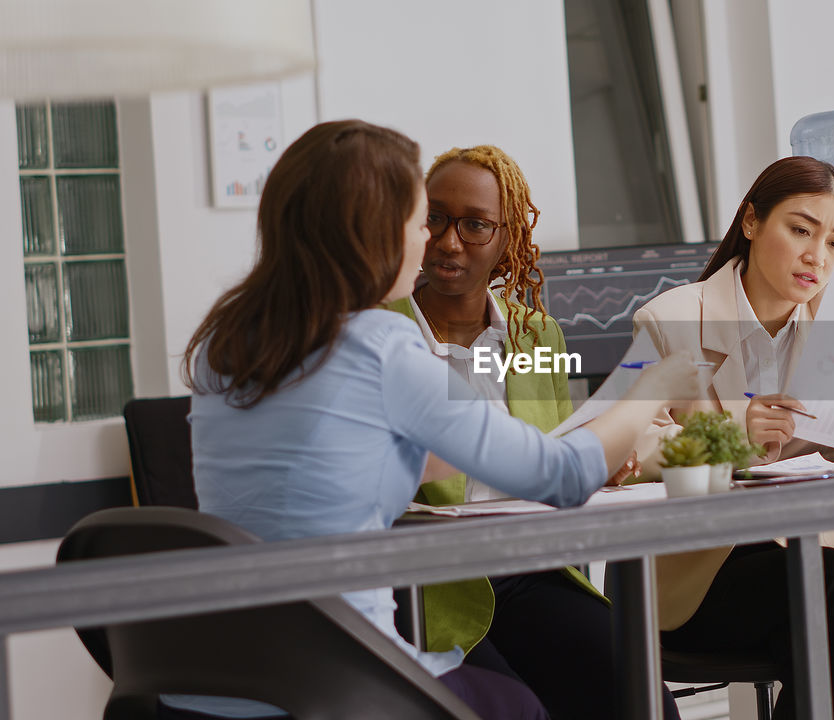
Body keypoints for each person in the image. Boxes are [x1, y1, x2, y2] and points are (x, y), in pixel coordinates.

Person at [169, 120, 698, 720]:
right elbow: (562, 473)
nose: (434, 240)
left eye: (471, 225)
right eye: (423, 220)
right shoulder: (383, 344)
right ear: (371, 232)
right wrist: (649, 386)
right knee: (516, 709)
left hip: (214, 668)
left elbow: (337, 458)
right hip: (342, 667)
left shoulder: (226, 338)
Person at [631, 156, 834, 719]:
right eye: (801, 230)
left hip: (817, 561)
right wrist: (731, 434)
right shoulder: (670, 319)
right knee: (832, 594)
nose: (816, 257)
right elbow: (628, 454)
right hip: (704, 576)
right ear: (751, 222)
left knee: (823, 617)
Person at [384, 144, 679, 719]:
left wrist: (606, 464)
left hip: (531, 568)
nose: (449, 241)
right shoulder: (381, 327)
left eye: (475, 225)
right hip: (430, 582)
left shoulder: (534, 336)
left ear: (506, 239)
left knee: (642, 697)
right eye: (436, 219)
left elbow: (557, 447)